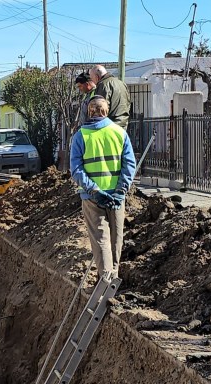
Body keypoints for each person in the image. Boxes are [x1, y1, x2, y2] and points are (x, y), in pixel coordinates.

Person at [70, 96, 137, 280]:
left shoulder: (80, 136)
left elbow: (76, 169)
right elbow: (129, 165)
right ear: (106, 111)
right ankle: (112, 277)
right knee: (116, 240)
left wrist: (94, 190)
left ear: (89, 111)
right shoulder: (119, 133)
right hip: (116, 197)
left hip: (93, 198)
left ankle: (106, 281)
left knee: (101, 240)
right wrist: (120, 190)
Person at [89, 65, 131, 129]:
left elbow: (101, 109)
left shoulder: (103, 85)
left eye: (92, 79)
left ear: (97, 77)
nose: (93, 82)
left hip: (109, 126)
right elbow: (128, 103)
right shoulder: (122, 83)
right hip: (123, 124)